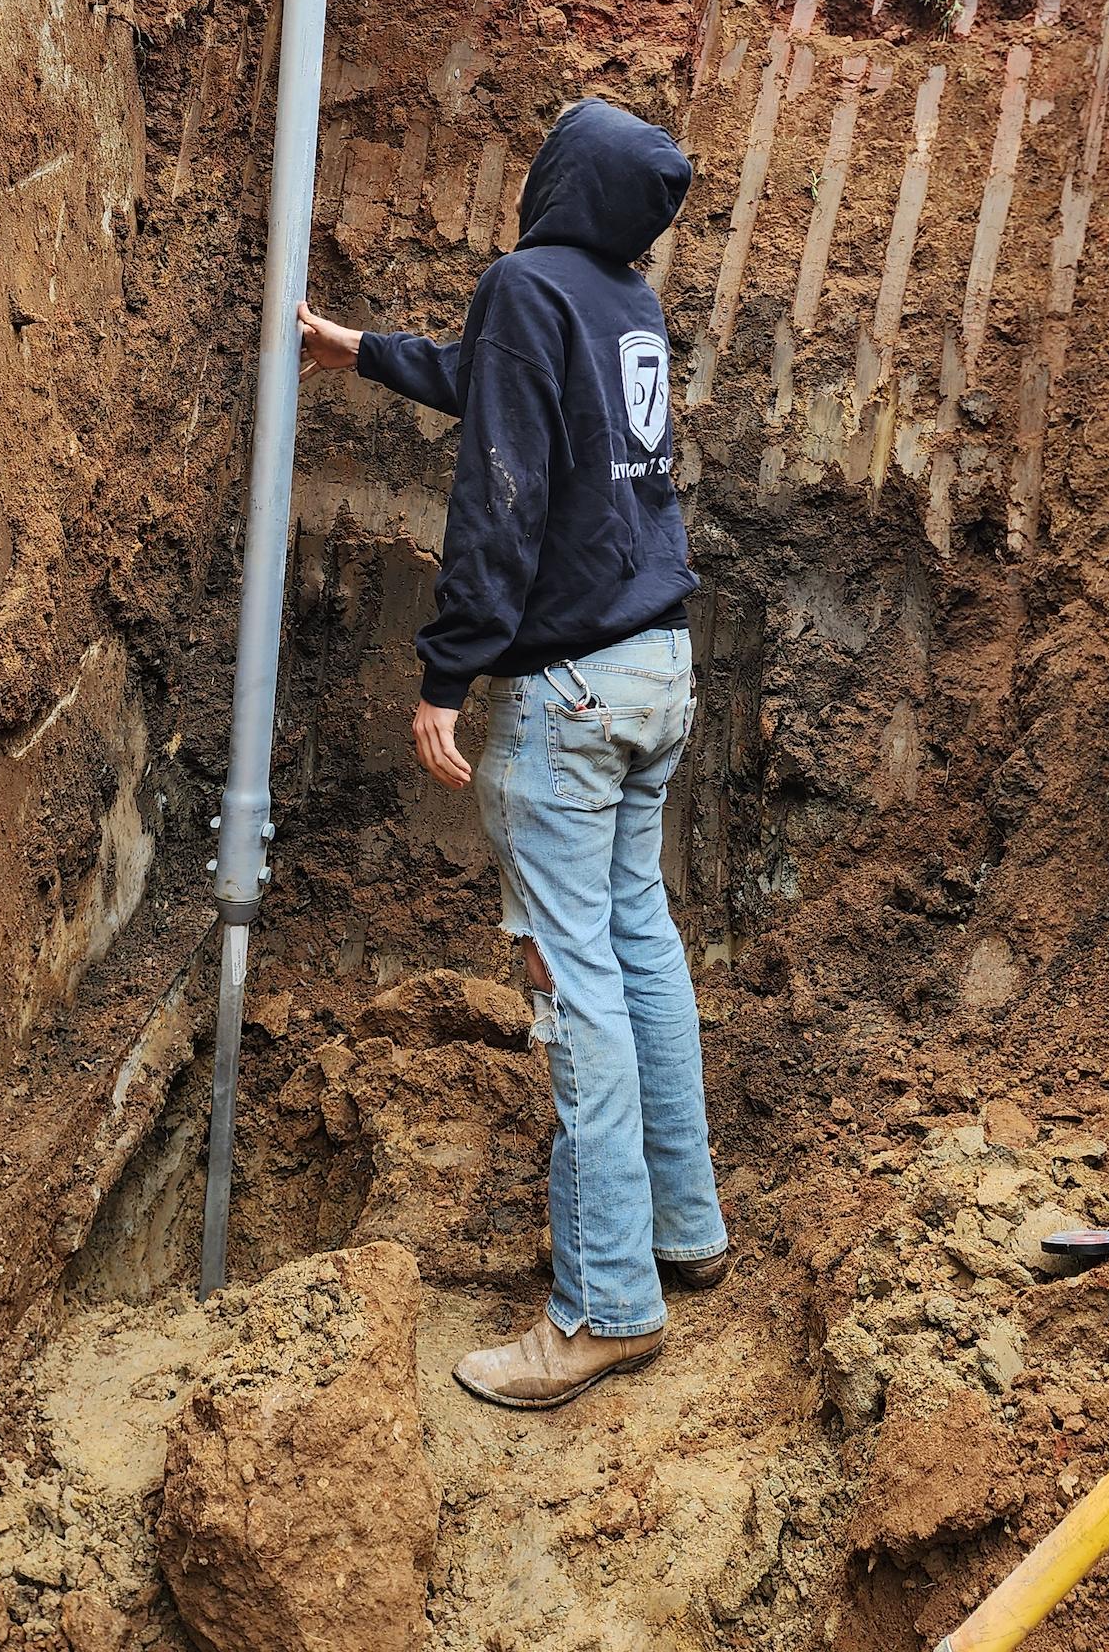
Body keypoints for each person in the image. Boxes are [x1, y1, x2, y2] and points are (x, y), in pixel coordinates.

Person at [297, 99, 728, 1410]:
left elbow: (501, 491)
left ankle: (604, 1309)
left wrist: (447, 672)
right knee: (638, 938)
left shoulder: (527, 285)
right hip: (657, 670)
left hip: (572, 691)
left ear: (560, 181)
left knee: (572, 983)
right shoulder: (620, 303)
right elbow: (505, 387)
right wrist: (362, 350)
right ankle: (682, 1229)